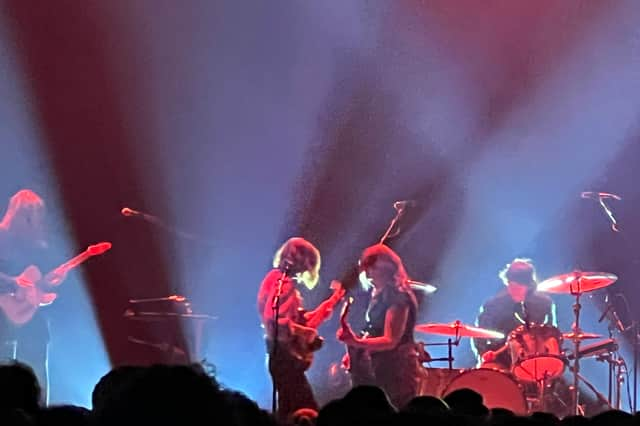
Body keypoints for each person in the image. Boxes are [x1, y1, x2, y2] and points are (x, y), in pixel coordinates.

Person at [257, 237, 344, 421]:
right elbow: (276, 321)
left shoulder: (274, 280)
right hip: (284, 357)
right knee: (305, 409)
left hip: (279, 356)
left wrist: (328, 305)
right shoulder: (284, 284)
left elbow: (293, 320)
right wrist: (307, 334)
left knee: (289, 410)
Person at [0, 189, 68, 405]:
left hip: (30, 314)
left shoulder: (39, 245)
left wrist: (51, 284)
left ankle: (38, 411)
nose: (31, 218)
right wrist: (12, 282)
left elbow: (39, 283)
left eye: (35, 213)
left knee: (37, 363)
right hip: (2, 310)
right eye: (27, 212)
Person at [337, 244, 420, 410]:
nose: (367, 274)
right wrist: (356, 349)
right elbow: (374, 330)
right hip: (378, 368)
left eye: (372, 269)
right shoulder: (378, 293)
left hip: (396, 372)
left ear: (386, 269)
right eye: (366, 269)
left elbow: (391, 340)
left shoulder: (396, 297)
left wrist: (357, 342)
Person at [470, 258, 557, 370]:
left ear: (529, 285)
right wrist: (483, 354)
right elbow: (479, 333)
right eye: (511, 284)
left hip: (536, 356)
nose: (514, 288)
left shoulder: (545, 303)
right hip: (500, 358)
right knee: (488, 374)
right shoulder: (493, 305)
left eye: (519, 285)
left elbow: (552, 333)